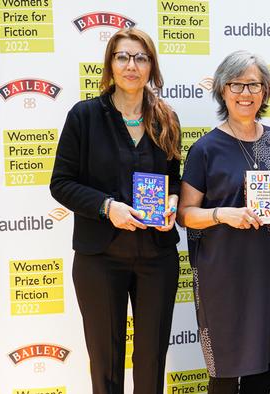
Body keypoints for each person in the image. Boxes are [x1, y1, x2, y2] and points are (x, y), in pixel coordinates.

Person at [50, 28, 181, 393]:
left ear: (151, 66)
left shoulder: (166, 118)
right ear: (110, 64)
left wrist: (171, 201)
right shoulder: (85, 116)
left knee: (152, 359)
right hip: (100, 257)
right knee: (106, 362)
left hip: (157, 256)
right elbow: (61, 183)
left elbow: (174, 177)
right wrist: (108, 207)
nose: (131, 65)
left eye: (141, 57)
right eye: (122, 56)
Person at [177, 50, 270, 394]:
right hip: (223, 273)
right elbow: (185, 213)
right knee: (223, 371)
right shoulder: (206, 149)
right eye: (237, 84)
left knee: (264, 367)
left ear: (265, 91)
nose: (245, 93)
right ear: (223, 89)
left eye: (254, 85)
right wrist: (222, 214)